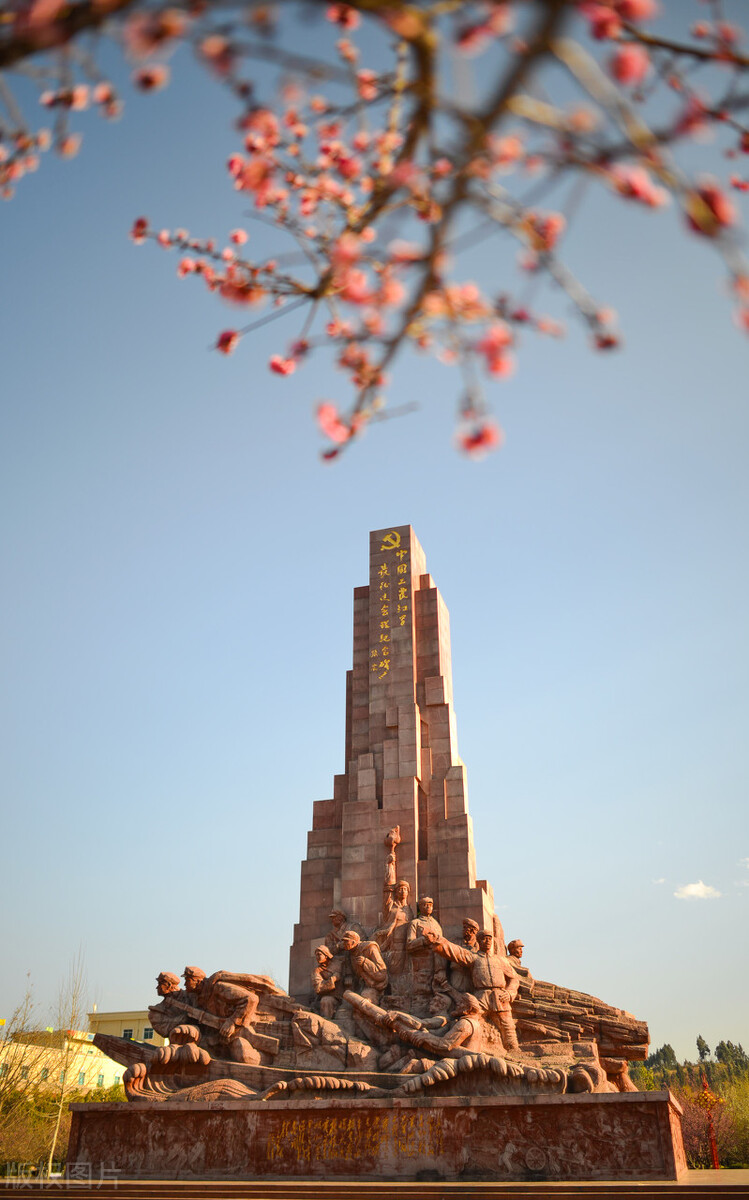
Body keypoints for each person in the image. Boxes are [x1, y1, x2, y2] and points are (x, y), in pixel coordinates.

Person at [423, 928, 520, 1052]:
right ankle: (457, 1045)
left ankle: (513, 1052)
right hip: (481, 995)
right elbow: (456, 952)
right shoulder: (474, 958)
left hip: (500, 996)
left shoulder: (501, 960)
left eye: (490, 938)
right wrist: (438, 941)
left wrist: (509, 993)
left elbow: (514, 979)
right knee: (470, 1020)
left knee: (508, 1027)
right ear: (479, 941)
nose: (487, 941)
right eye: (484, 938)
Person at [406, 896, 446, 1008]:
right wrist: (423, 941)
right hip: (421, 965)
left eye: (430, 904)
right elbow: (409, 944)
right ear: (420, 907)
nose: (428, 906)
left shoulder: (436, 924)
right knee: (421, 994)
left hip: (437, 964)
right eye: (425, 904)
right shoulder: (415, 923)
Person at [375, 878, 414, 976]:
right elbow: (387, 894)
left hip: (408, 943)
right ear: (395, 892)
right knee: (395, 970)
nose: (403, 891)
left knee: (406, 970)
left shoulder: (409, 910)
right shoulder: (392, 909)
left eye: (405, 889)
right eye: (400, 889)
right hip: (394, 944)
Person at [340, 931, 388, 1003]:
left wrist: (365, 962)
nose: (344, 944)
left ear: (353, 942)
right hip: (360, 986)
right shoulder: (350, 952)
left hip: (375, 986)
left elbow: (382, 973)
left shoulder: (369, 948)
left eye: (346, 942)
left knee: (365, 1000)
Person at [311, 945, 342, 1020]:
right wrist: (333, 979)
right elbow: (318, 988)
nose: (317, 957)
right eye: (316, 955)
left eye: (319, 954)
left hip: (345, 994)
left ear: (326, 955)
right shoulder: (317, 971)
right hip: (332, 997)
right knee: (326, 1000)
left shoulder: (338, 963)